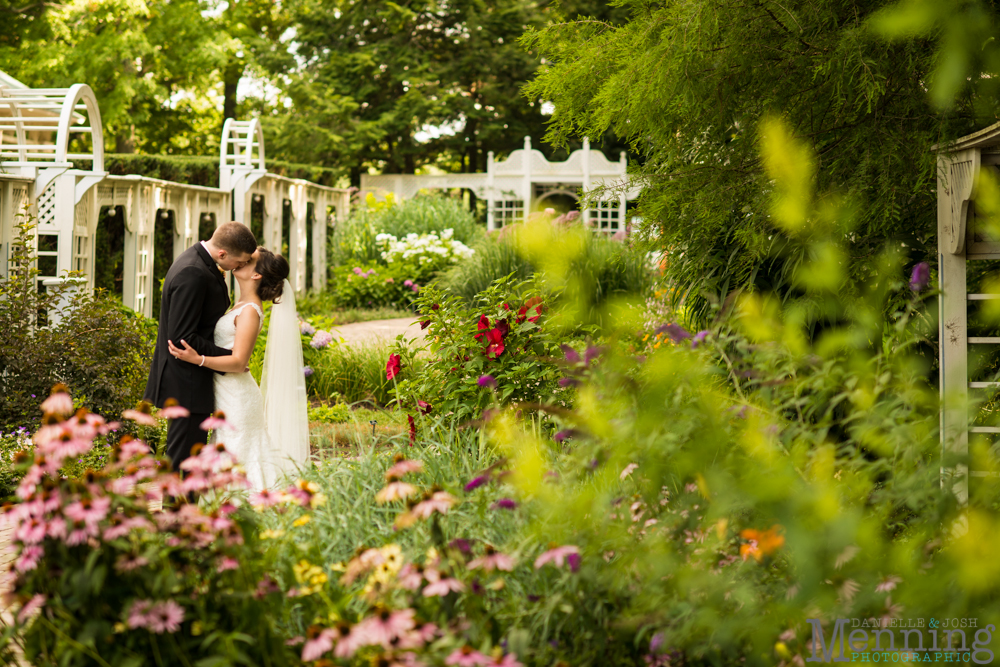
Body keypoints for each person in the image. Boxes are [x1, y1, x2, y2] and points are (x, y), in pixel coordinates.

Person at [167, 247, 309, 490]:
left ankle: (250, 508)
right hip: (225, 390)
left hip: (237, 397)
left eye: (248, 260)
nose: (240, 259)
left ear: (256, 275)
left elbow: (238, 362)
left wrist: (197, 359)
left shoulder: (250, 311)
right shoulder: (240, 304)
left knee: (238, 450)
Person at [143, 222, 257, 471]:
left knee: (190, 458)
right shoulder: (193, 272)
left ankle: (185, 507)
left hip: (193, 379)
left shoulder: (199, 261)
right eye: (240, 261)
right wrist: (233, 357)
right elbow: (183, 337)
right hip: (185, 381)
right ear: (222, 254)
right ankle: (175, 510)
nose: (241, 266)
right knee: (183, 459)